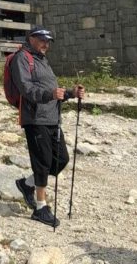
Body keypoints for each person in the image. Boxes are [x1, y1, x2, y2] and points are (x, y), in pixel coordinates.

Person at [11, 26, 85, 228]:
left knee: (61, 159)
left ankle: (27, 184)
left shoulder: (42, 60)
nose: (46, 44)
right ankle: (40, 207)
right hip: (35, 119)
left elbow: (52, 91)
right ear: (31, 38)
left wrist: (70, 93)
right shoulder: (22, 58)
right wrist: (50, 95)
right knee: (42, 162)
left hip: (52, 118)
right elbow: (26, 89)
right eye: (42, 40)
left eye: (48, 41)